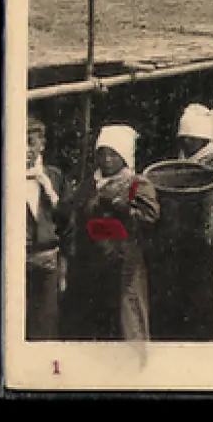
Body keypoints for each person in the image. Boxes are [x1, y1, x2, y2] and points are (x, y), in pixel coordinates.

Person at [152, 104, 213, 342]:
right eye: (184, 138)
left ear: (203, 138)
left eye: (191, 138)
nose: (186, 142)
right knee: (193, 276)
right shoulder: (183, 160)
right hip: (188, 225)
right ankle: (197, 327)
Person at [63, 124, 160, 342]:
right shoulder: (90, 183)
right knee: (98, 321)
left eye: (113, 154)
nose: (107, 160)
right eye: (102, 154)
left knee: (129, 317)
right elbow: (77, 214)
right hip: (94, 259)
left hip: (125, 260)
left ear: (124, 157)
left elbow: (150, 217)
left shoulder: (136, 183)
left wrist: (120, 207)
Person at [25, 116, 73, 341]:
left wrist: (63, 268)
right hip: (14, 266)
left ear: (41, 144)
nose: (25, 150)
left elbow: (68, 224)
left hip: (47, 265)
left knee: (45, 327)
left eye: (30, 142)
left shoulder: (54, 177)